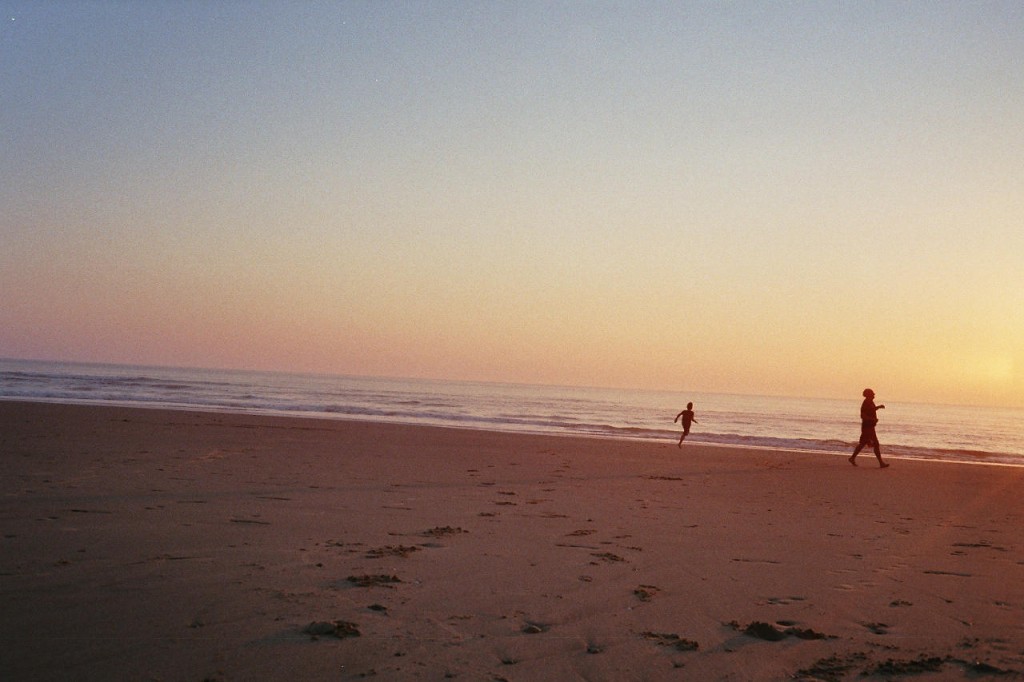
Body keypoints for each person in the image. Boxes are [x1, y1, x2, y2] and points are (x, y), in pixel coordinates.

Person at [849, 388, 889, 468]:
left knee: (863, 443)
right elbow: (863, 415)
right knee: (875, 444)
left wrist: (879, 407)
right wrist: (872, 419)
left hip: (870, 427)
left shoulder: (870, 402)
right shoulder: (866, 403)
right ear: (869, 395)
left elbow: (871, 410)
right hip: (867, 428)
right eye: (872, 394)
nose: (874, 395)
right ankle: (881, 463)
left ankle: (852, 458)